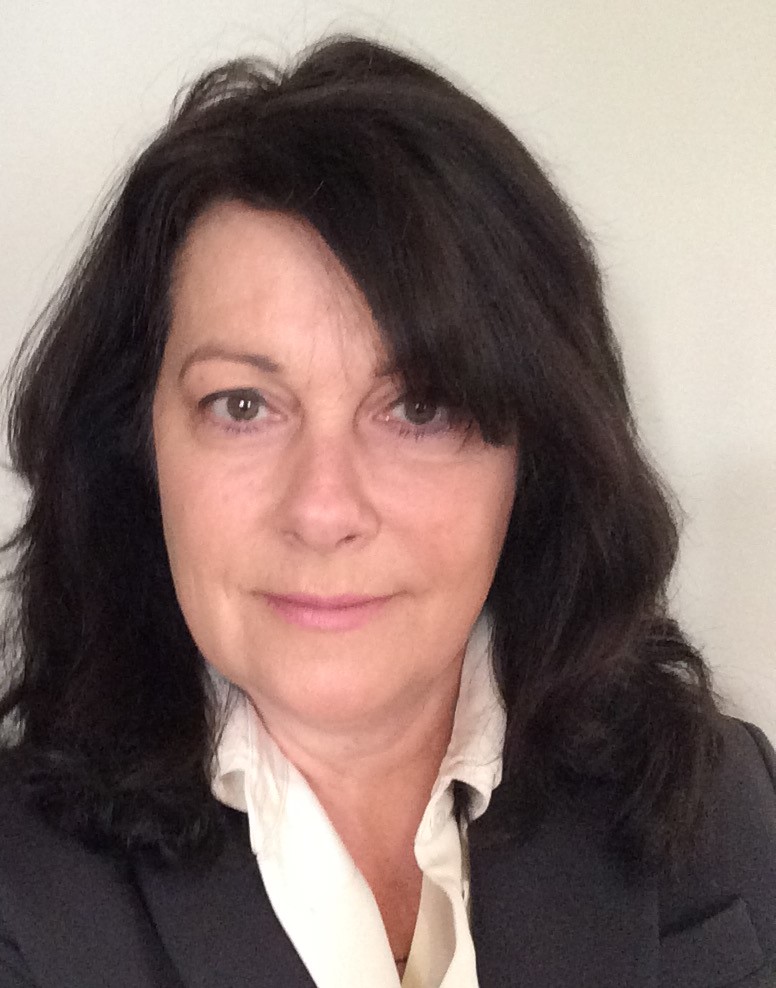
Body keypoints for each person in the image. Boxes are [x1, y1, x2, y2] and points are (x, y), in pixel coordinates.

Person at [0, 34, 774, 988]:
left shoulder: (725, 801)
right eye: (242, 405)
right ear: (138, 449)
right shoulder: (20, 898)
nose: (323, 509)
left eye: (419, 408)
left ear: (535, 451)